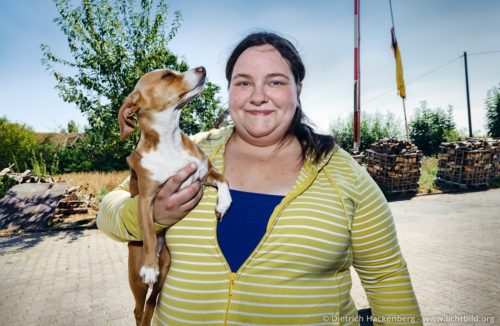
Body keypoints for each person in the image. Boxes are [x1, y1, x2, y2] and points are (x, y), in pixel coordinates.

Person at [97, 31, 422, 325]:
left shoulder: (342, 174)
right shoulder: (188, 153)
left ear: (299, 90)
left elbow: (387, 279)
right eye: (243, 82)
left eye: (276, 82)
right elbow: (107, 213)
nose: (257, 96)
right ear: (229, 91)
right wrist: (149, 217)